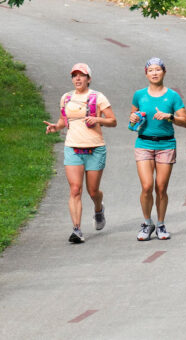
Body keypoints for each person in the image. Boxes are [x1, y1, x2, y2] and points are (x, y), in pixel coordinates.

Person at [44, 63, 117, 243]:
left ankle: (98, 209)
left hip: (95, 149)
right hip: (72, 148)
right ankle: (76, 229)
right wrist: (56, 126)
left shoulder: (98, 97)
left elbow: (113, 121)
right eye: (74, 75)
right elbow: (63, 120)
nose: (77, 78)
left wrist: (98, 119)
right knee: (75, 189)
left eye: (81, 75)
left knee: (92, 191)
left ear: (88, 79)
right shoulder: (66, 98)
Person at [129, 57, 186, 241]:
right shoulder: (139, 95)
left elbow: (185, 122)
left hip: (165, 144)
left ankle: (161, 225)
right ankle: (147, 223)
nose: (154, 73)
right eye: (151, 70)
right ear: (146, 73)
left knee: (161, 188)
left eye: (158, 70)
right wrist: (133, 119)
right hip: (144, 144)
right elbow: (132, 117)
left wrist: (169, 116)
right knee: (147, 186)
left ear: (164, 72)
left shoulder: (172, 96)